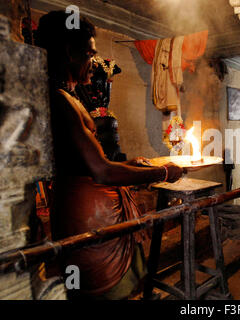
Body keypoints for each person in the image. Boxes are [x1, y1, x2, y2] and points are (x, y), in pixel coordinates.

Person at [34, 11, 183, 300]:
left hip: (90, 210)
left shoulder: (67, 97)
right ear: (69, 52)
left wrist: (130, 164)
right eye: (89, 53)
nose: (92, 63)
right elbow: (101, 171)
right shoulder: (61, 101)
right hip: (88, 217)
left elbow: (89, 163)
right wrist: (164, 172)